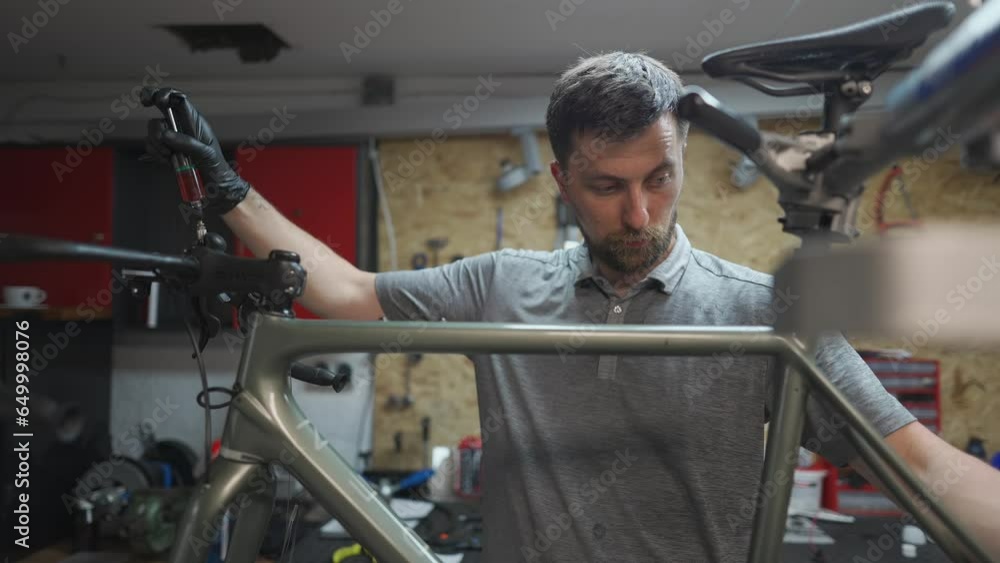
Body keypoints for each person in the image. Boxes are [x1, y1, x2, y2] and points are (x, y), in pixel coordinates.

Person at [144, 52, 1000, 562]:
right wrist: (232, 195)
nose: (640, 213)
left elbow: (927, 468)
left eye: (659, 178)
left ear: (683, 158)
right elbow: (347, 291)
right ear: (561, 179)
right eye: (607, 186)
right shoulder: (500, 286)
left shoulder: (767, 314)